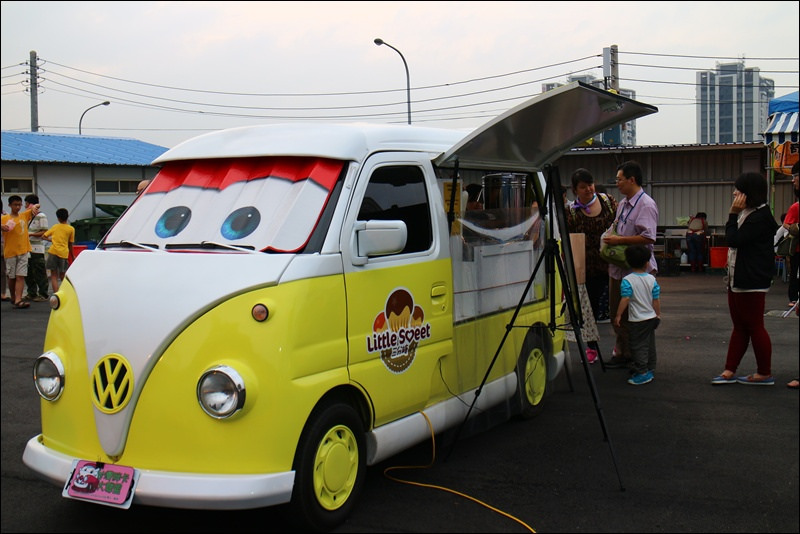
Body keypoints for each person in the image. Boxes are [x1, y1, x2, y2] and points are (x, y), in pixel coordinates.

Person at [711, 172, 779, 386]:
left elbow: (733, 240)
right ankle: (729, 370)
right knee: (740, 326)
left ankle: (763, 372)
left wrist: (732, 214)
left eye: (738, 190)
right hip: (740, 278)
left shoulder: (759, 217)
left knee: (754, 326)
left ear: (749, 193)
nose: (734, 194)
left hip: (751, 279)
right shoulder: (751, 213)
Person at [603, 161, 659, 370]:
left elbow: (648, 237)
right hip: (619, 267)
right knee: (618, 314)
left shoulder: (645, 204)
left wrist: (619, 241)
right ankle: (624, 353)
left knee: (637, 316)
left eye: (619, 179)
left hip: (636, 270)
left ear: (631, 180)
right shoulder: (624, 204)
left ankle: (640, 360)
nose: (617, 183)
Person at [566, 168, 617, 324]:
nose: (588, 189)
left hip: (612, 265)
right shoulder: (571, 212)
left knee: (614, 313)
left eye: (590, 184)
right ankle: (591, 347)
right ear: (575, 190)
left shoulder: (608, 202)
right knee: (589, 315)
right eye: (583, 186)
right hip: (586, 271)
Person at [613, 245, 661, 385]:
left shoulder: (628, 280)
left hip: (637, 319)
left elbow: (626, 298)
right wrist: (657, 314)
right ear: (647, 263)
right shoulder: (651, 279)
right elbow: (656, 299)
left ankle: (642, 371)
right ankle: (650, 367)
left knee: (637, 345)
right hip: (651, 317)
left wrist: (618, 315)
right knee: (650, 343)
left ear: (628, 263)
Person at [1, 195, 40, 308]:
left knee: (20, 276)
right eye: (15, 205)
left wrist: (34, 207)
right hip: (10, 252)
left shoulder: (24, 215)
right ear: (9, 205)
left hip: (23, 250)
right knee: (12, 277)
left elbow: (38, 205)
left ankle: (18, 299)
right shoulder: (4, 218)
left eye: (19, 205)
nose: (17, 207)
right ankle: (14, 297)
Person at [23, 194, 50, 301]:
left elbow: (44, 231)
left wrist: (30, 235)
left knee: (39, 271)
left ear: (30, 204)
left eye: (26, 204)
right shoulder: (26, 216)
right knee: (28, 272)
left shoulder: (41, 216)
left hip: (37, 248)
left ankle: (43, 293)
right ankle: (32, 292)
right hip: (27, 248)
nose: (25, 206)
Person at [43, 208, 75, 295]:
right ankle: (64, 293)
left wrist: (51, 240)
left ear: (58, 218)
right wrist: (72, 256)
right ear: (67, 217)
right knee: (63, 275)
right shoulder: (71, 229)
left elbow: (44, 236)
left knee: (53, 275)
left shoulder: (55, 227)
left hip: (53, 252)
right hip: (63, 253)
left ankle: (56, 294)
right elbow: (70, 244)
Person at [782, 161, 799, 307]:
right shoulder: (796, 207)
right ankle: (793, 298)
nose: (793, 180)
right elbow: (786, 224)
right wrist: (796, 228)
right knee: (795, 273)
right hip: (797, 249)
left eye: (795, 176)